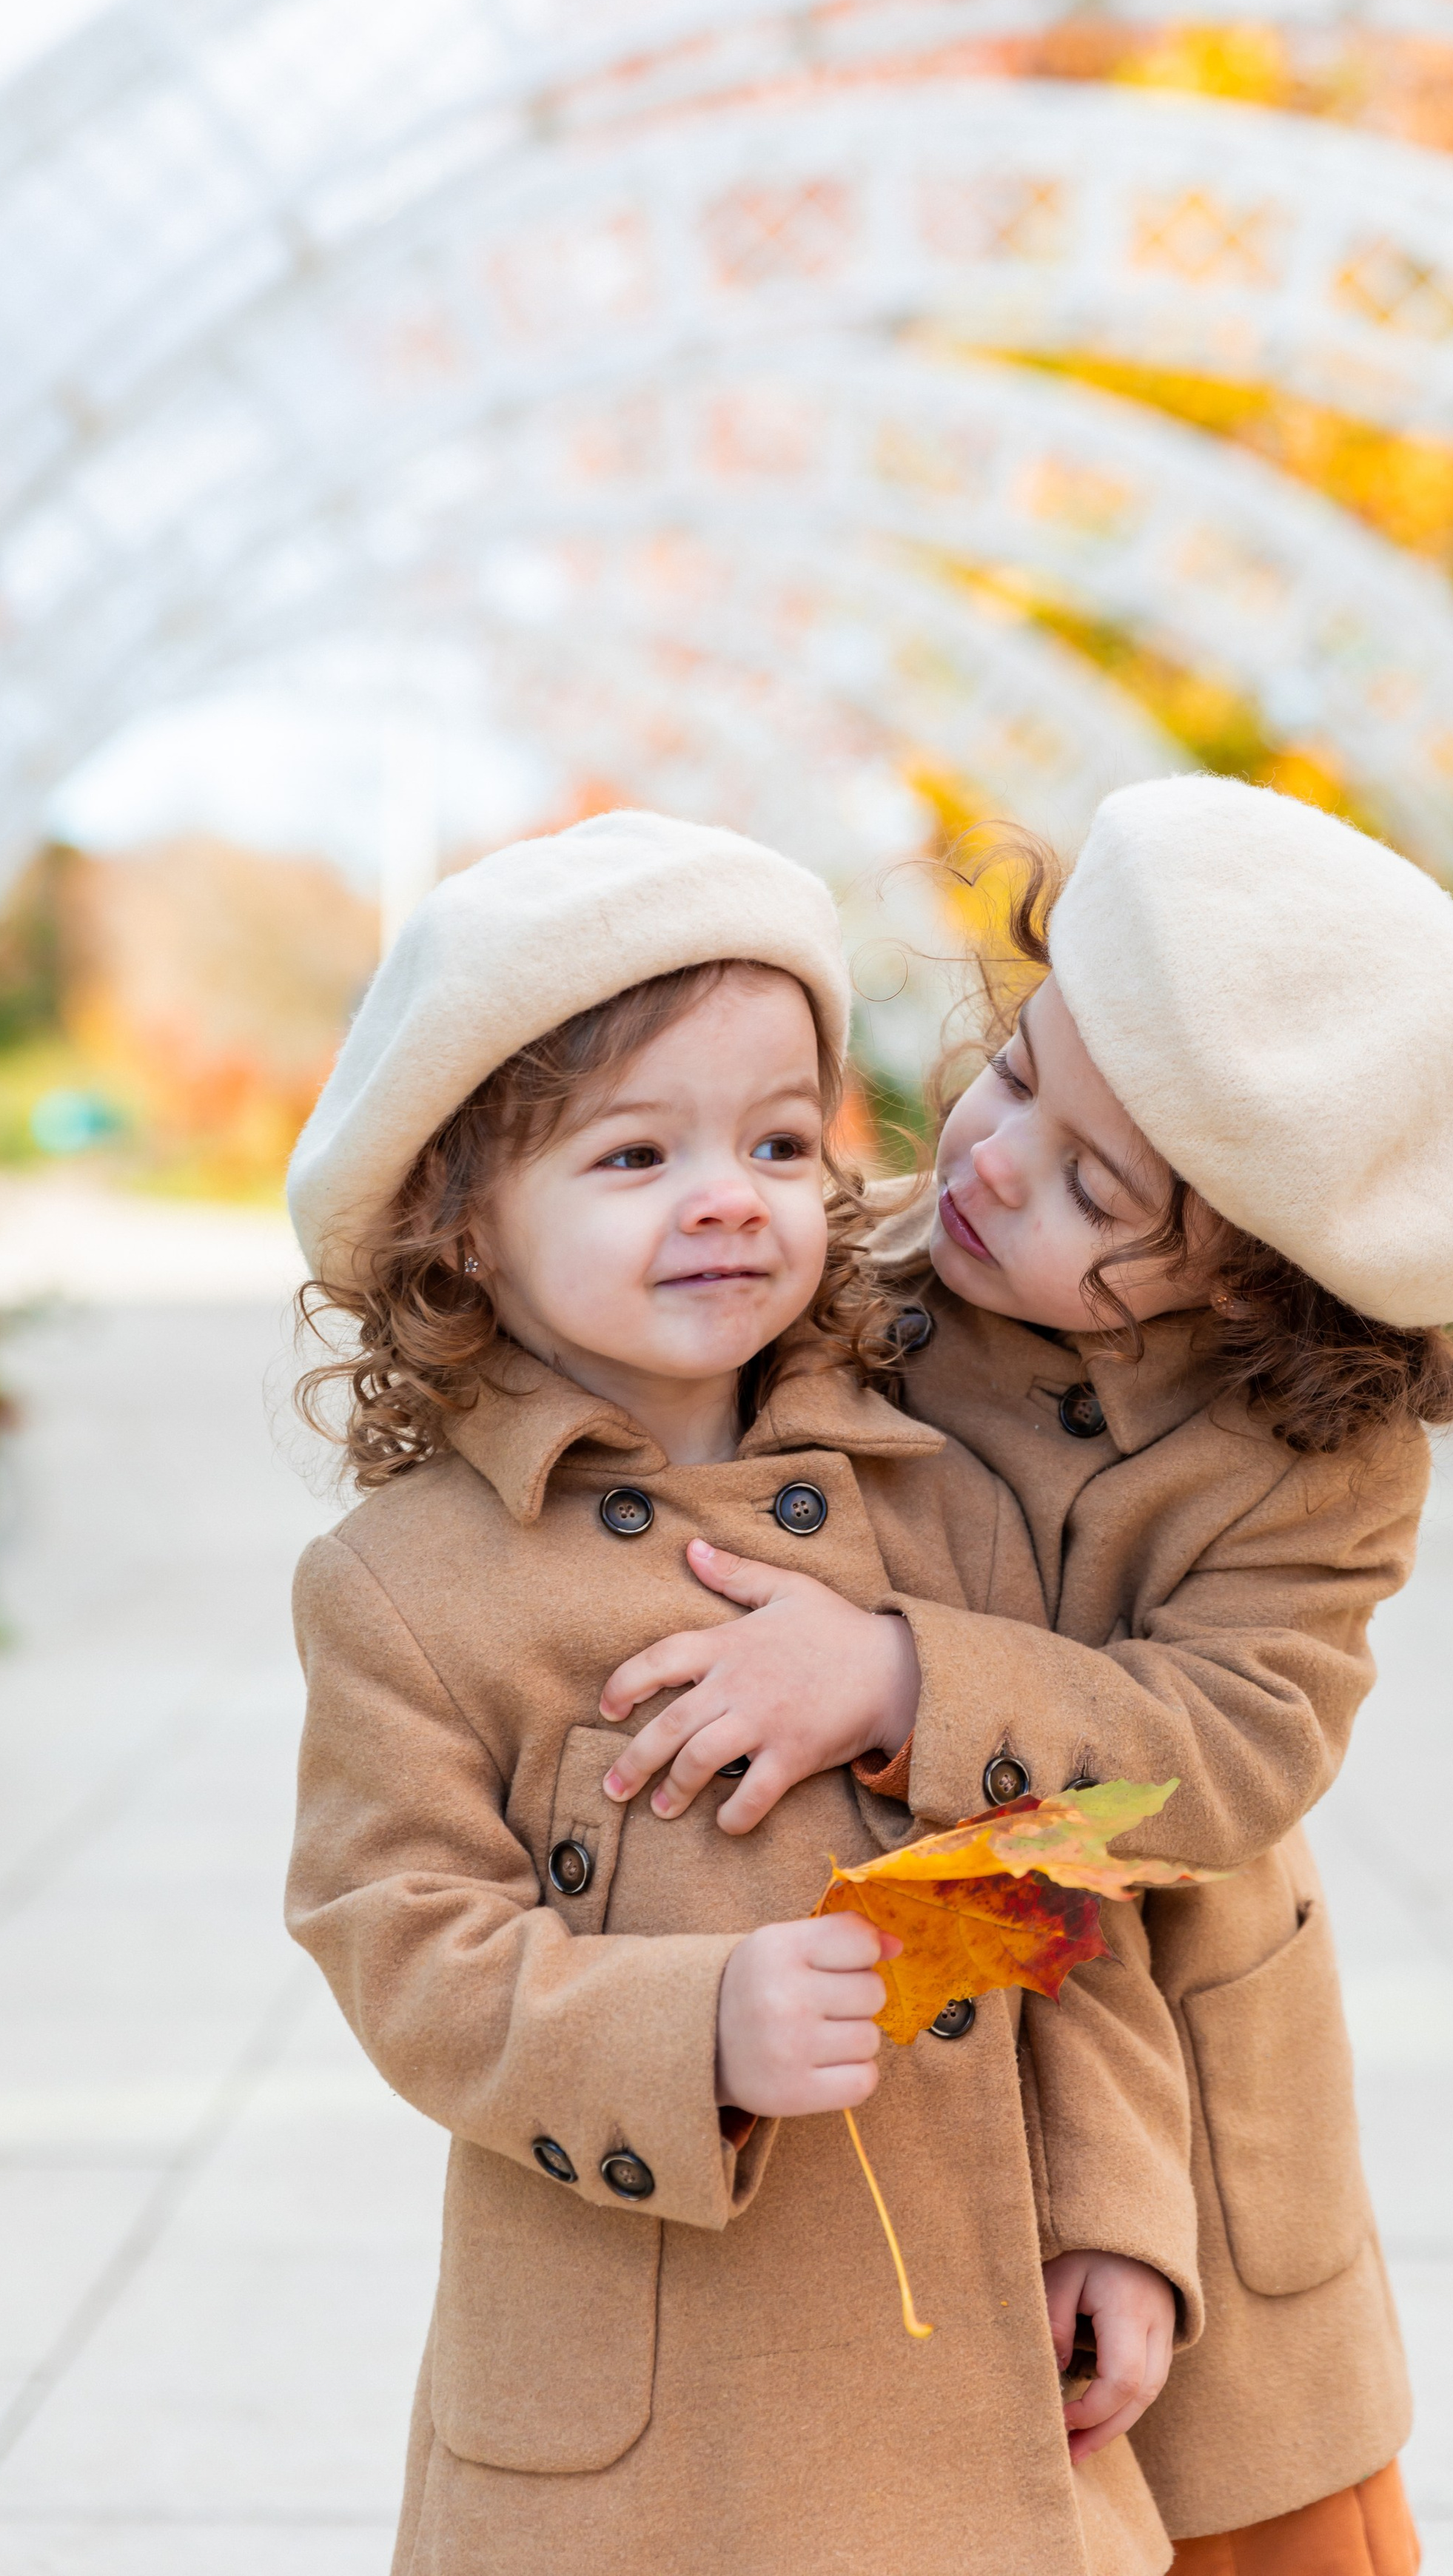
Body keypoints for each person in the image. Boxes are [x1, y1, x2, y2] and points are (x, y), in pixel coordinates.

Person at [597, 777, 1453, 2576]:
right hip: (900, 2030)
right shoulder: (863, 1279)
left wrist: (892, 1678)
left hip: (1165, 2013)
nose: (989, 1159)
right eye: (1014, 1071)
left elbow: (1222, 1755)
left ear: (1263, 1291)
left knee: (1243, 2497)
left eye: (1091, 1184)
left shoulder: (1303, 1456)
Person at [280, 810, 1207, 2576]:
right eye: (633, 1157)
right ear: (460, 1230)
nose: (728, 1196)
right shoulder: (405, 1587)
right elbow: (395, 1936)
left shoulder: (941, 1507)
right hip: (647, 2403)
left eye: (780, 1141)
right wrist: (692, 2029)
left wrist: (1113, 2213)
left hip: (969, 2358)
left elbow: (1055, 1892)